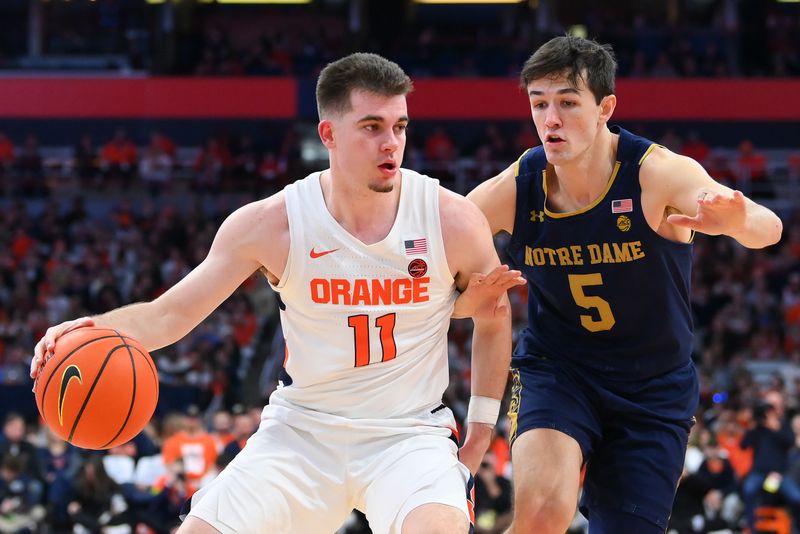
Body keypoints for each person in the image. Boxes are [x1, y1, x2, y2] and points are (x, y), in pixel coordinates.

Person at [30, 52, 524, 534]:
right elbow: (168, 316)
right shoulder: (272, 224)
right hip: (302, 433)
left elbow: (493, 316)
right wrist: (90, 328)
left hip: (410, 434)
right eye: (372, 127)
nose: (390, 143)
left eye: (399, 127)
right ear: (328, 134)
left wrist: (480, 430)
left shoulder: (452, 219)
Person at [467, 35, 783, 533]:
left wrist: (739, 220)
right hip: (560, 369)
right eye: (539, 103)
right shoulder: (518, 185)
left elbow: (770, 228)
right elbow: (438, 247)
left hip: (652, 387)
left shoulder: (656, 174)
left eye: (568, 103)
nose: (551, 119)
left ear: (605, 108)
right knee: (542, 518)